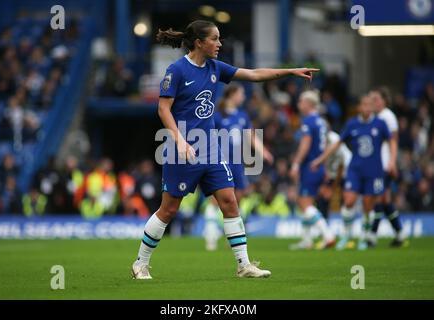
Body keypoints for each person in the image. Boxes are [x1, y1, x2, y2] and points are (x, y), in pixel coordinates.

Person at [131, 20, 318, 279]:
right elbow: (163, 109)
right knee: (169, 209)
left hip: (210, 148)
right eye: (215, 39)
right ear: (199, 42)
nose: (220, 44)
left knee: (230, 202)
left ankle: (243, 265)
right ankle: (140, 263)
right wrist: (180, 140)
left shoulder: (215, 68)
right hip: (180, 149)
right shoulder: (177, 71)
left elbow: (253, 74)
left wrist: (289, 71)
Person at [311, 94, 397, 250]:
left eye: (369, 105)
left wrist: (392, 160)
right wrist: (320, 159)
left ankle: (364, 237)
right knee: (349, 201)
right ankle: (346, 235)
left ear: (372, 107)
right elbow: (337, 143)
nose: (366, 108)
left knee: (367, 206)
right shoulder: (352, 124)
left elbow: (392, 140)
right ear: (359, 107)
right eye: (363, 105)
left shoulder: (380, 123)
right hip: (355, 169)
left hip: (374, 171)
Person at [203, 83, 274, 251]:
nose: (243, 97)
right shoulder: (218, 116)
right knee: (216, 199)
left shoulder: (243, 115)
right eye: (241, 93)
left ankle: (232, 236)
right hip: (220, 161)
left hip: (237, 162)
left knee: (238, 198)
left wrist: (264, 152)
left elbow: (250, 137)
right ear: (232, 94)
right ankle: (211, 233)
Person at [288, 90, 335, 250]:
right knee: (307, 202)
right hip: (319, 166)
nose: (299, 104)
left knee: (304, 202)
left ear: (308, 104)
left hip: (310, 167)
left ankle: (328, 235)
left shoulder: (308, 121)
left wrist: (295, 164)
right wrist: (324, 163)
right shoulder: (323, 122)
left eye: (301, 101)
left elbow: (305, 144)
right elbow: (329, 145)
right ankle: (307, 240)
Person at [368, 88, 407, 247]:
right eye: (372, 99)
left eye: (376, 99)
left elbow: (394, 141)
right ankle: (399, 233)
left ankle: (372, 236)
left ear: (384, 100)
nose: (374, 102)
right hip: (378, 164)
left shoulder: (387, 117)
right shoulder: (376, 117)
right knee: (384, 199)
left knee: (379, 198)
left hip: (384, 165)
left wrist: (392, 162)